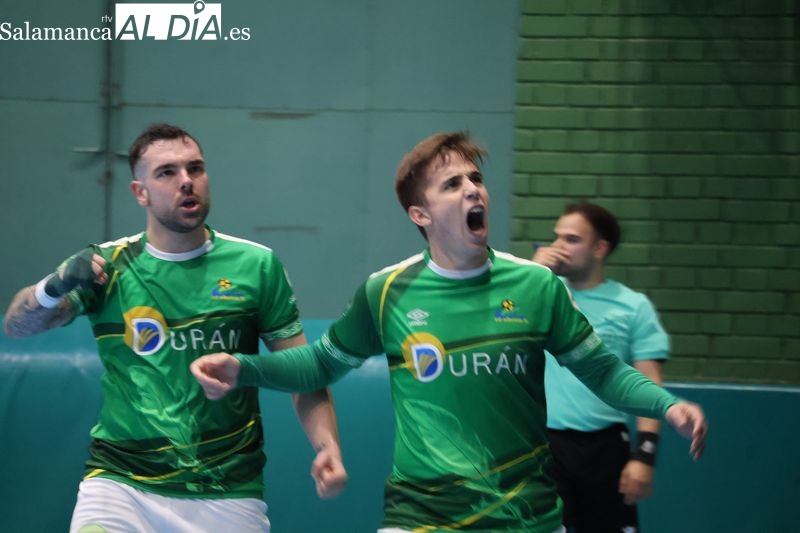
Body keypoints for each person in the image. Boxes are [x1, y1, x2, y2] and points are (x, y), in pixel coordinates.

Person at [190, 131, 707, 533]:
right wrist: (244, 368)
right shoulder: (386, 292)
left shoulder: (537, 286)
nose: (472, 189)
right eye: (452, 184)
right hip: (421, 513)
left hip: (524, 515)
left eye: (475, 178)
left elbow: (603, 372)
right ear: (421, 214)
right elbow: (321, 364)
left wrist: (665, 405)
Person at [2, 123, 347, 533]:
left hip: (227, 491)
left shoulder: (256, 265)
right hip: (120, 483)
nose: (186, 181)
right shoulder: (108, 266)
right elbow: (17, 327)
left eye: (195, 168)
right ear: (140, 192)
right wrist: (52, 286)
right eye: (167, 172)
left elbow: (303, 372)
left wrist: (328, 446)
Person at [532, 202, 669, 532]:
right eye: (556, 237)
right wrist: (532, 276)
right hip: (545, 447)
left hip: (606, 450)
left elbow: (649, 383)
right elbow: (495, 322)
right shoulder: (540, 293)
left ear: (599, 248)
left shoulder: (632, 306)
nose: (558, 247)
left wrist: (644, 456)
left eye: (572, 239)